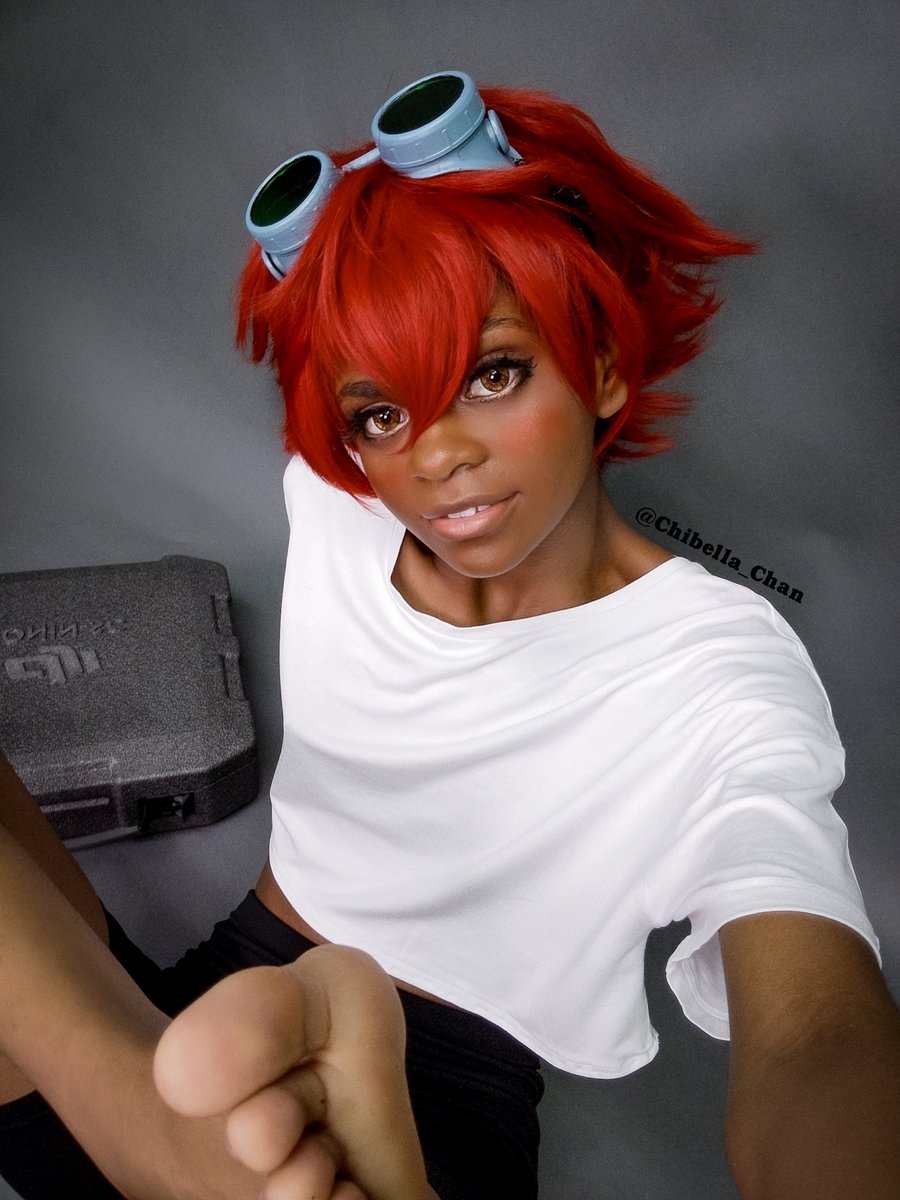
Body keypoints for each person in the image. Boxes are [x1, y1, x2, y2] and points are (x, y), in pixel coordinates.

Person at [1, 71, 899, 1200]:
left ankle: (213, 1118)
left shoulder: (718, 669)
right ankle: (182, 1115)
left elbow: (816, 1030)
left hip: (441, 1120)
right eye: (383, 412)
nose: (435, 456)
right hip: (197, 1008)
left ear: (603, 368)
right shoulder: (341, 499)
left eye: (492, 374)